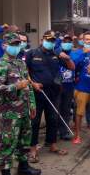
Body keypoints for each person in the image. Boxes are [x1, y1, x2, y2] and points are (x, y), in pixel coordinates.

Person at [0, 32, 41, 175]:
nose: (16, 46)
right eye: (13, 44)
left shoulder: (21, 63)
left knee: (24, 140)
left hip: (24, 110)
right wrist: (15, 87)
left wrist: (32, 104)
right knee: (8, 144)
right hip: (9, 113)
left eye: (18, 43)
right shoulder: (0, 65)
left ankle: (23, 166)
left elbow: (28, 84)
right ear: (4, 46)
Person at [26, 30, 68, 162]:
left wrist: (66, 57)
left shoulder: (56, 55)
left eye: (52, 41)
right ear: (42, 40)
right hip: (37, 93)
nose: (50, 42)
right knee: (35, 121)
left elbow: (69, 67)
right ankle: (33, 149)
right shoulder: (31, 54)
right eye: (48, 40)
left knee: (53, 119)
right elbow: (24, 71)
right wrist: (32, 84)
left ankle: (52, 145)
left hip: (53, 92)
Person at [73, 31, 90, 144]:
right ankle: (77, 135)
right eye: (86, 39)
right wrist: (83, 54)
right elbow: (73, 66)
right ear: (82, 41)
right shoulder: (77, 52)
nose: (88, 41)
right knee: (79, 113)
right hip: (82, 88)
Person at [58, 34, 77, 140]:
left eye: (69, 42)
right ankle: (56, 130)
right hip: (57, 87)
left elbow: (76, 67)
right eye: (65, 41)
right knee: (56, 109)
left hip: (69, 87)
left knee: (66, 110)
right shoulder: (56, 53)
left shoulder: (73, 54)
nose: (67, 43)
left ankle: (64, 131)